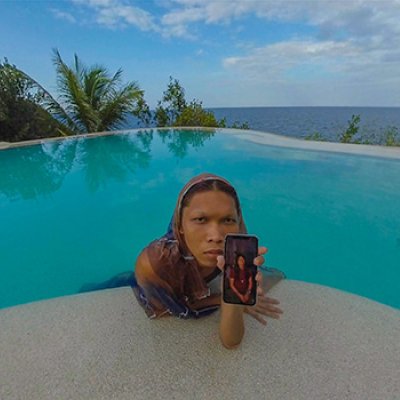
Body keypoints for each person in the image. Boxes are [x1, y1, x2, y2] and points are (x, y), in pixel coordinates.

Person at [133, 173, 285, 349]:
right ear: (180, 226)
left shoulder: (237, 250)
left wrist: (233, 297)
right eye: (200, 220)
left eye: (228, 220)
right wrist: (219, 298)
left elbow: (231, 341)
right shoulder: (155, 263)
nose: (216, 236)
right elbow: (171, 309)